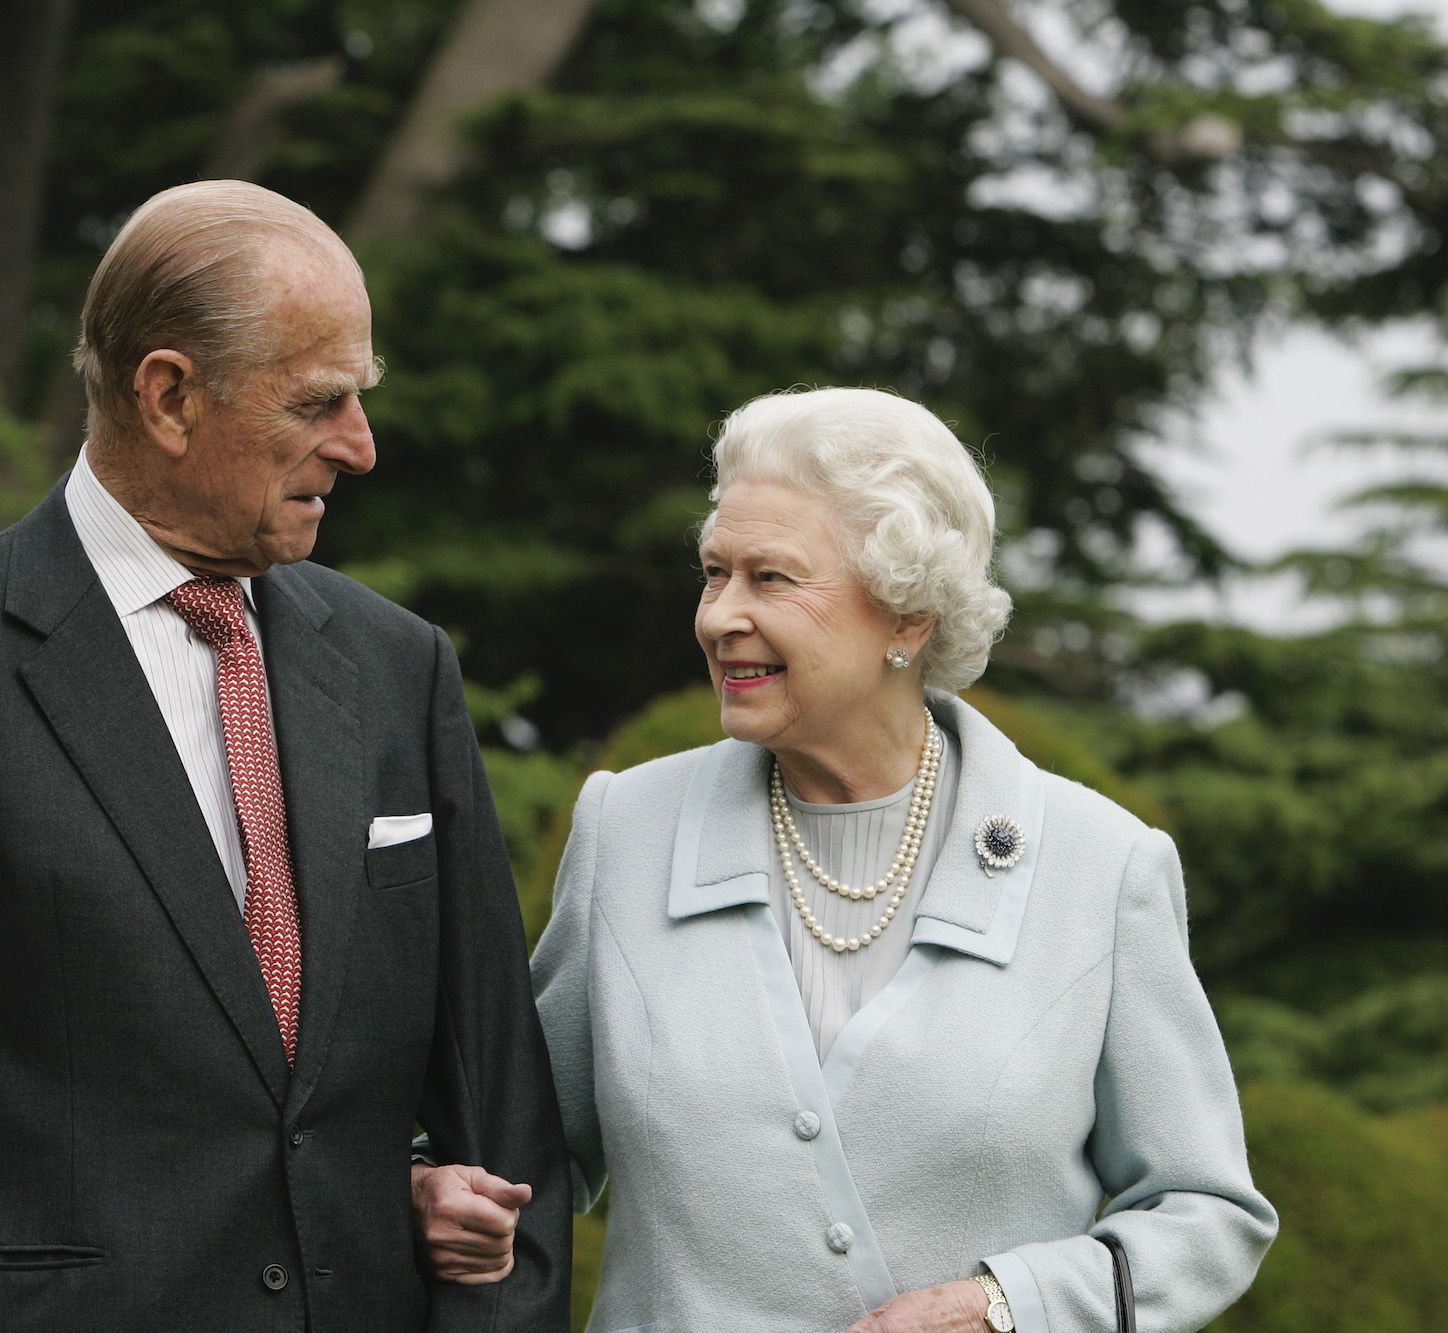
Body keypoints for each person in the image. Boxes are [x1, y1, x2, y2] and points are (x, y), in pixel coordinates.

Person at [0, 180, 570, 1331]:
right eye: (319, 401)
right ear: (169, 396)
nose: (360, 446)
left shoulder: (399, 668)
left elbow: (502, 1116)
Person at [414, 387, 1276, 1332]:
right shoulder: (629, 827)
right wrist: (438, 1186)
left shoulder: (1101, 867)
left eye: (772, 578)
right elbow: (520, 1146)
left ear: (908, 617)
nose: (718, 617)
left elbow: (1208, 1215)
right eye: (714, 573)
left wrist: (1003, 1307)